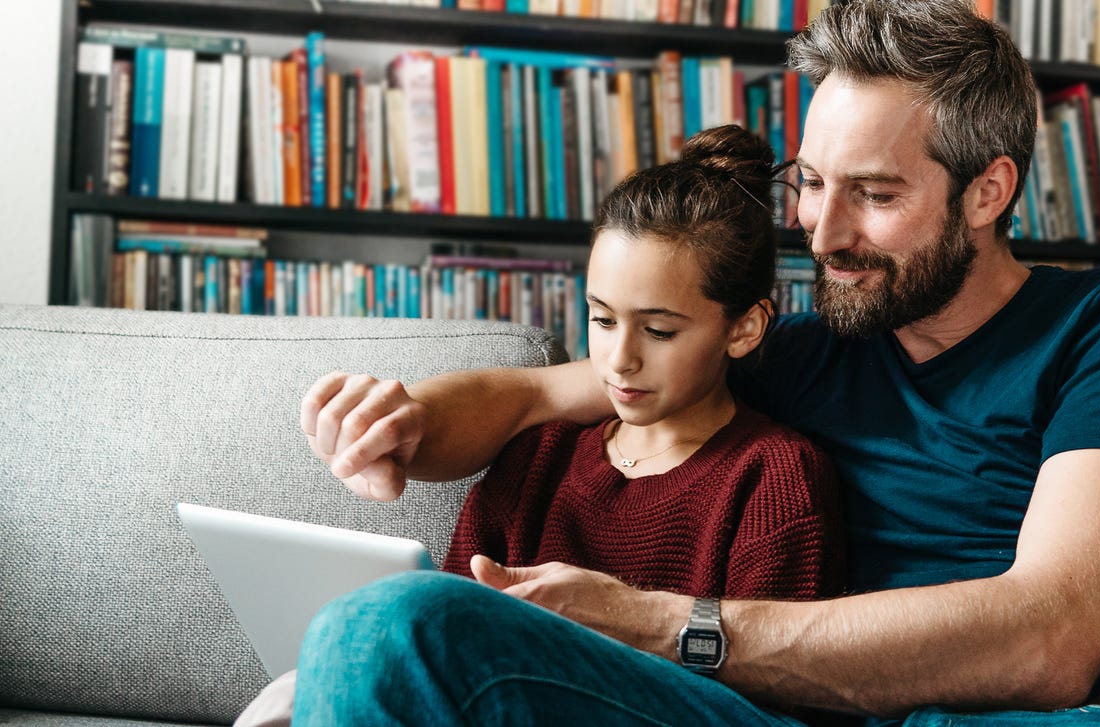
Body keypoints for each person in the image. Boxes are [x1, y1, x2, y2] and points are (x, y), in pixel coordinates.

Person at [296, 0, 1100, 724]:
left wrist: (658, 623)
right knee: (396, 633)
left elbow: (1052, 638)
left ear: (987, 191)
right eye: (810, 181)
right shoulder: (800, 352)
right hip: (830, 711)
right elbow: (538, 392)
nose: (823, 231)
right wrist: (405, 422)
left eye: (875, 194)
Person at [237, 125, 845, 726]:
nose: (620, 359)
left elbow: (773, 691)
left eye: (659, 330)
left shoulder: (776, 476)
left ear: (744, 328)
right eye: (602, 320)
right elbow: (446, 626)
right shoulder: (538, 457)